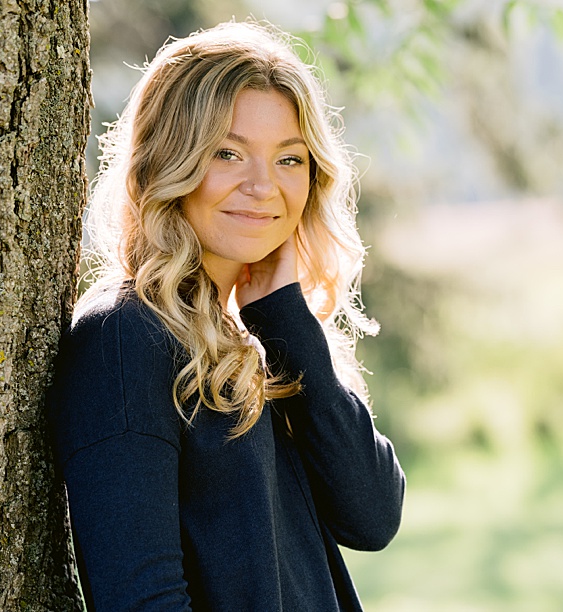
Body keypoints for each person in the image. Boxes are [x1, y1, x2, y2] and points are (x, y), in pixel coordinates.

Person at [49, 22, 405, 610]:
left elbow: (373, 514)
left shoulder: (261, 335)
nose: (263, 186)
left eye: (289, 158)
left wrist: (285, 318)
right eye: (227, 152)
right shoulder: (126, 342)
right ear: (169, 160)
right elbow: (144, 601)